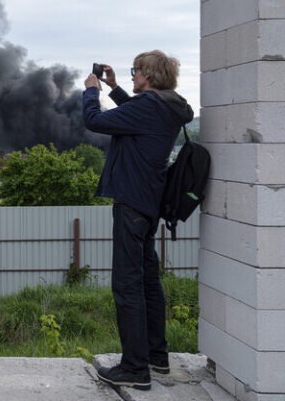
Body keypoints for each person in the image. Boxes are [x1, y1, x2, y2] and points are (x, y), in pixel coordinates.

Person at [82, 51, 193, 391]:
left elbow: (95, 122)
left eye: (135, 71)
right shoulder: (166, 107)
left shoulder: (149, 107)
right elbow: (135, 114)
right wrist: (114, 88)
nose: (132, 75)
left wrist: (91, 91)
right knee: (147, 281)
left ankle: (134, 369)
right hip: (147, 203)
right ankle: (156, 358)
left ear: (149, 75)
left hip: (131, 203)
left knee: (128, 285)